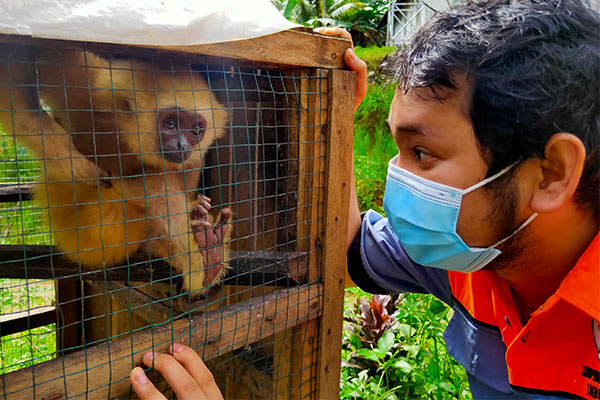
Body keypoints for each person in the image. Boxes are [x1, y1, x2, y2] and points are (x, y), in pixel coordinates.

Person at [130, 0, 599, 398]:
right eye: (398, 149)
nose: (400, 178)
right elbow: (354, 249)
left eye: (422, 153)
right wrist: (335, 123)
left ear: (551, 174)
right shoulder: (470, 259)